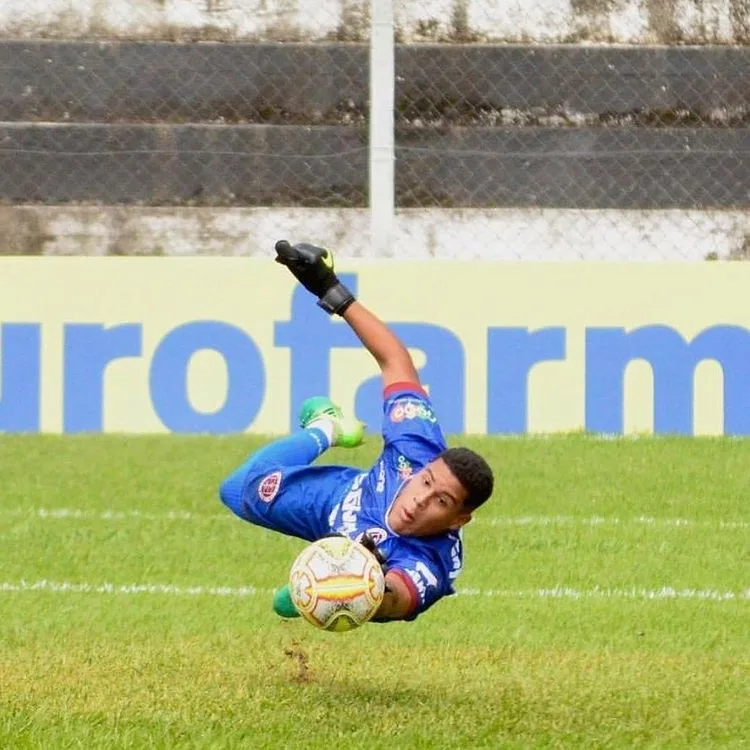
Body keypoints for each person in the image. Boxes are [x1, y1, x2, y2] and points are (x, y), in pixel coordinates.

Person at [219, 240, 494, 622]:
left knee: (332, 594)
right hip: (342, 500)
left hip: (361, 555)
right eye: (426, 482)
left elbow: (395, 600)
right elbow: (395, 360)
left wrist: (360, 585)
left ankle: (313, 580)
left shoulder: (432, 562)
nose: (419, 498)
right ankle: (328, 427)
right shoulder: (416, 446)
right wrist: (333, 292)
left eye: (442, 502)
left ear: (457, 520)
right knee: (237, 490)